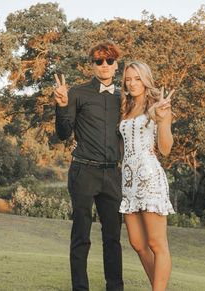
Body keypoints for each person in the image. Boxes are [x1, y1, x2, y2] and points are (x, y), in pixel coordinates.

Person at [54, 41, 124, 291]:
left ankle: (115, 287)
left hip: (113, 175)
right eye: (98, 61)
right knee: (81, 235)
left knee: (113, 238)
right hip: (83, 172)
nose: (104, 65)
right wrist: (62, 105)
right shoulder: (77, 93)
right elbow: (63, 133)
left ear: (116, 64)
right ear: (92, 65)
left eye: (109, 61)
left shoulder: (123, 97)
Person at [119, 61, 175, 291]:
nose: (132, 83)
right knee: (137, 243)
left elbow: (165, 148)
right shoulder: (125, 106)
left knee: (156, 243)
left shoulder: (158, 106)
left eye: (137, 78)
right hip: (128, 180)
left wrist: (161, 121)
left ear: (145, 79)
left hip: (149, 177)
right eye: (128, 79)